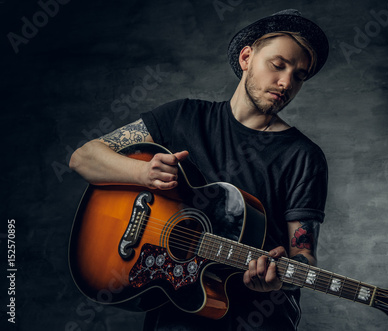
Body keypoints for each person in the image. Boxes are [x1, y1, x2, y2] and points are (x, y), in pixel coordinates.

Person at [70, 9, 329, 331]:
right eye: (278, 65)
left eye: (299, 75)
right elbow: (84, 157)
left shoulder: (304, 156)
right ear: (247, 57)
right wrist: (141, 174)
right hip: (174, 318)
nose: (286, 82)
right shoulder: (181, 116)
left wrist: (281, 277)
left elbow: (303, 256)